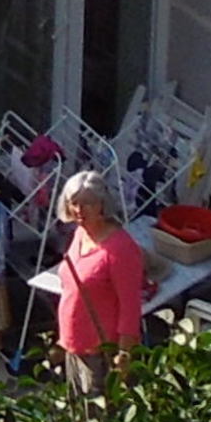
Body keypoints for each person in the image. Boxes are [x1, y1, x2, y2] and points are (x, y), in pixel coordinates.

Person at [52, 168, 146, 403]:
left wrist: (124, 355)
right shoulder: (80, 234)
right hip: (74, 345)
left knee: (97, 419)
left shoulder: (120, 249)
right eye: (74, 203)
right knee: (77, 414)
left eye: (88, 204)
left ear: (103, 205)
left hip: (100, 353)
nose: (79, 210)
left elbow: (130, 306)